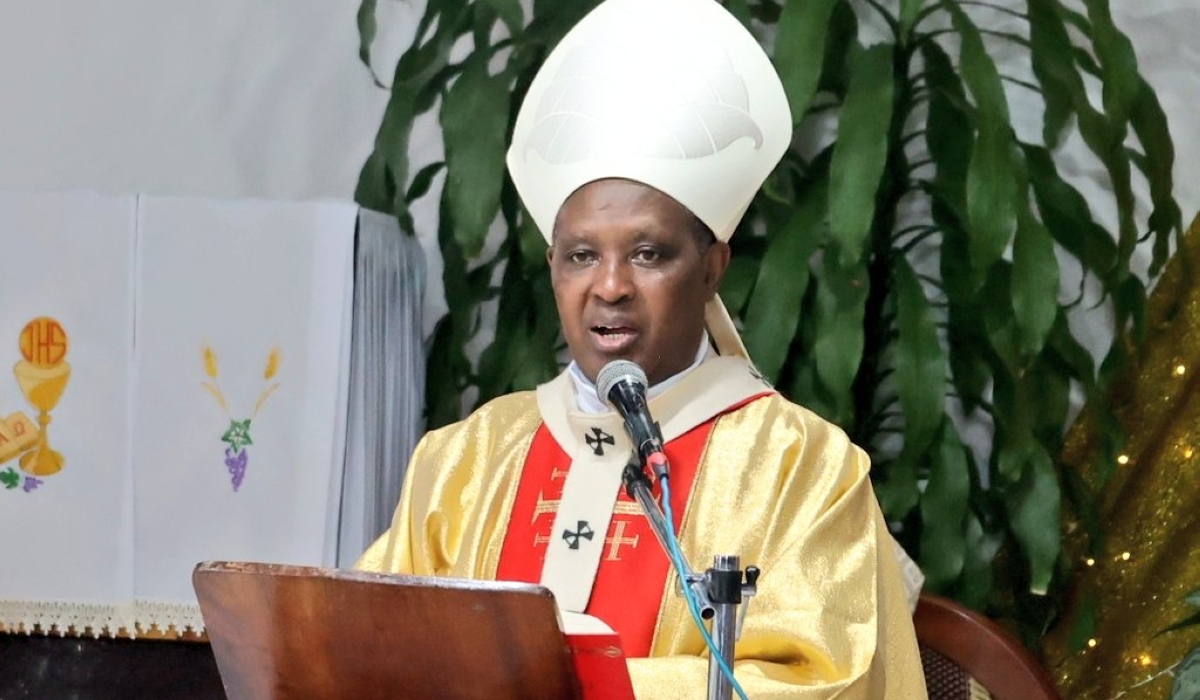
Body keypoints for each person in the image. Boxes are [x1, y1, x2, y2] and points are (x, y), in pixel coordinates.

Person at [357, 0, 928, 697]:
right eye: (580, 256)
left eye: (649, 254)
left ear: (713, 267)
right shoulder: (468, 459)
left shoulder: (797, 466)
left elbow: (825, 681)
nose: (610, 287)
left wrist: (585, 686)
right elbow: (373, 651)